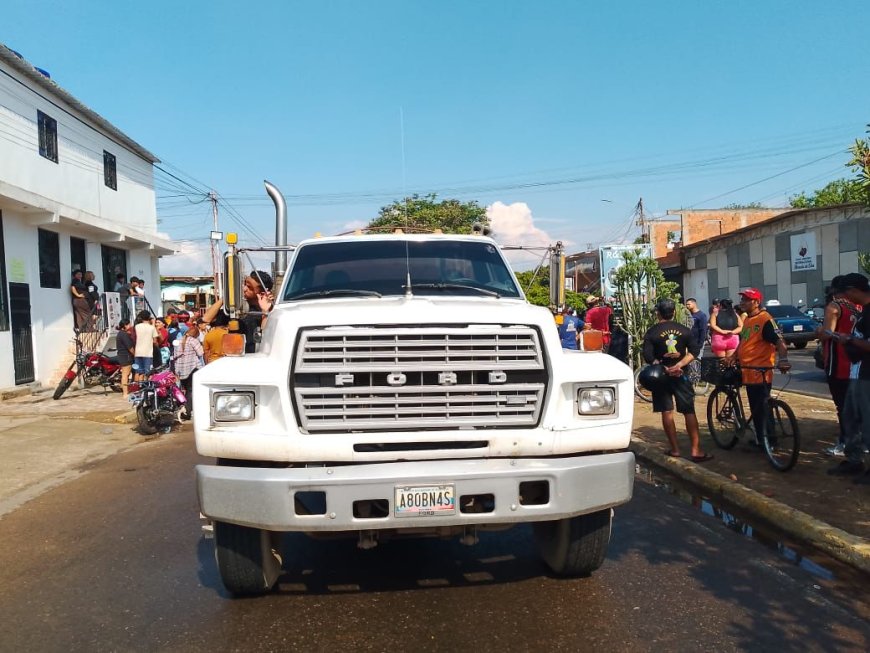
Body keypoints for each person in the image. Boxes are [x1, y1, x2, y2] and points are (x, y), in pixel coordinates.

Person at [642, 299, 711, 462]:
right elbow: (694, 351)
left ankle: (675, 449)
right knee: (689, 411)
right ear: (673, 312)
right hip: (682, 375)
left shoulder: (652, 332)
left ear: (658, 312)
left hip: (661, 377)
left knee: (667, 411)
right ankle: (696, 450)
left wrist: (663, 366)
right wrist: (679, 365)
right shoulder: (684, 330)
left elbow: (648, 356)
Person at [730, 288, 791, 448]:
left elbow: (780, 342)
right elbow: (744, 342)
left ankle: (769, 441)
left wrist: (783, 359)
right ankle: (761, 439)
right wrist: (733, 356)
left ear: (756, 302)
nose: (742, 302)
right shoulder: (748, 319)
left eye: (746, 299)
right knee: (757, 408)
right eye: (742, 299)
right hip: (748, 371)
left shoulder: (765, 319)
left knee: (763, 409)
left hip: (761, 371)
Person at [827, 273, 870, 481]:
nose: (845, 297)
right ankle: (854, 460)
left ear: (854, 290)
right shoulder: (863, 311)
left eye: (846, 293)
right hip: (856, 372)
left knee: (867, 422)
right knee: (850, 417)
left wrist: (849, 339)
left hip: (867, 375)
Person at [818, 276, 861, 456]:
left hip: (838, 363)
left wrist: (819, 331)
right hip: (858, 362)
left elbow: (827, 333)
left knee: (843, 407)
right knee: (859, 406)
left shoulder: (835, 307)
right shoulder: (860, 306)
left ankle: (845, 443)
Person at [172, 322, 203, 421]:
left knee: (183, 389)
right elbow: (200, 353)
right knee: (190, 390)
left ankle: (182, 407)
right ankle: (188, 411)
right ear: (196, 334)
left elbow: (175, 356)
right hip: (192, 368)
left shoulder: (178, 341)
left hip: (180, 369)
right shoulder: (194, 341)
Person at [133, 311, 159, 380]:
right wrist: (153, 324)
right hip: (148, 353)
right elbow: (155, 341)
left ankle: (137, 388)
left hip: (138, 352)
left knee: (138, 372)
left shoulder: (137, 326)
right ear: (149, 318)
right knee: (148, 373)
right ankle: (146, 388)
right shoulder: (152, 328)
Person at [115, 320, 135, 398]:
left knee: (126, 374)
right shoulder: (124, 335)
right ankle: (125, 393)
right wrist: (135, 354)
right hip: (126, 356)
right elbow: (130, 347)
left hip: (122, 355)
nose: (130, 326)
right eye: (129, 324)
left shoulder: (120, 334)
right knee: (125, 375)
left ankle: (126, 391)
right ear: (125, 325)